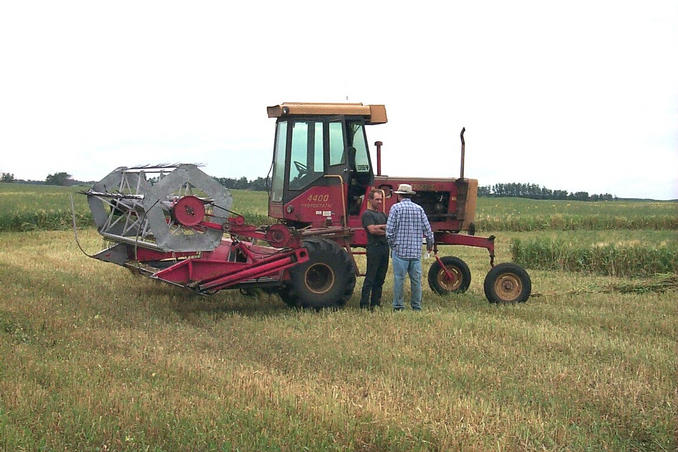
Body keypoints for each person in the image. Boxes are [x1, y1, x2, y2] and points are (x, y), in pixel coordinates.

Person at [386, 183, 434, 311]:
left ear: (399, 195)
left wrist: (393, 246)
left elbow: (389, 231)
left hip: (400, 251)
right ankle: (416, 306)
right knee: (416, 281)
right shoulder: (419, 209)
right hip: (415, 252)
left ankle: (398, 306)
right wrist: (430, 245)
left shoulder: (395, 208)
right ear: (410, 195)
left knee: (399, 280)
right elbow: (428, 231)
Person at [359, 189, 389, 310]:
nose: (379, 202)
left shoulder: (382, 215)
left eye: (381, 199)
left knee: (380, 278)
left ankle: (376, 303)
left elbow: (390, 229)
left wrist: (381, 228)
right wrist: (384, 228)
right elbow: (372, 230)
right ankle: (364, 304)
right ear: (370, 200)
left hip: (384, 248)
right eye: (377, 199)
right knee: (370, 277)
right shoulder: (367, 214)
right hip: (374, 249)